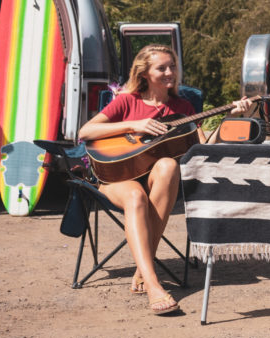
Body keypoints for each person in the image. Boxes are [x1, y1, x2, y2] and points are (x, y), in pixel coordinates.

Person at [78, 44, 253, 315]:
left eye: (173, 66)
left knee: (169, 166)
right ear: (145, 73)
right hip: (118, 176)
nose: (170, 72)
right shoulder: (128, 101)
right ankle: (153, 284)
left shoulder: (182, 107)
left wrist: (231, 117)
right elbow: (86, 131)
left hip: (158, 182)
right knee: (136, 197)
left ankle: (142, 270)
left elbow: (203, 145)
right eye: (162, 68)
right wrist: (134, 125)